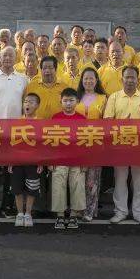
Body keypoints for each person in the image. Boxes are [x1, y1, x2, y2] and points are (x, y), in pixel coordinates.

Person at [0, 46, 29, 217]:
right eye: (4, 55)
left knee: (12, 171)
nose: (7, 58)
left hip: (15, 132)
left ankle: (9, 205)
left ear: (16, 58)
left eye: (11, 55)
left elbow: (26, 105)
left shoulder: (23, 79)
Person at [102, 66, 140, 225]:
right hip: (120, 145)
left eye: (133, 77)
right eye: (127, 77)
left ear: (138, 80)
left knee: (139, 181)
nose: (130, 80)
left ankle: (139, 212)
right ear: (121, 79)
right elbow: (108, 121)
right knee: (120, 179)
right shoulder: (114, 98)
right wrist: (123, 124)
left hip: (139, 146)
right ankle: (121, 211)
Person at [50, 87, 87, 230]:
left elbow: (86, 143)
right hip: (59, 159)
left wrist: (85, 162)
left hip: (77, 159)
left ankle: (73, 215)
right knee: (58, 185)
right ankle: (60, 215)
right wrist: (50, 161)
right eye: (65, 100)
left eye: (71, 100)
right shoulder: (55, 118)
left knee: (77, 186)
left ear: (77, 101)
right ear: (61, 102)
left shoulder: (82, 119)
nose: (68, 103)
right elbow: (50, 142)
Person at [75, 67, 106, 221]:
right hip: (78, 143)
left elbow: (106, 121)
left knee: (92, 179)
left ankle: (90, 210)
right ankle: (78, 208)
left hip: (95, 143)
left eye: (91, 78)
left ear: (96, 80)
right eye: (85, 78)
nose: (88, 81)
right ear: (81, 80)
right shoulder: (76, 97)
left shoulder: (103, 98)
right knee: (78, 178)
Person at [11, 93, 43, 228]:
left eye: (31, 102)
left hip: (33, 161)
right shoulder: (17, 122)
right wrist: (10, 161)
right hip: (18, 161)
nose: (27, 104)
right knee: (17, 188)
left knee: (32, 187)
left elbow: (42, 144)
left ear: (37, 106)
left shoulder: (41, 123)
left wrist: (41, 161)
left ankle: (28, 213)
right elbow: (11, 143)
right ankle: (19, 213)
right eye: (25, 102)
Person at [25, 55, 71, 119]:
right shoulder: (31, 86)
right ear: (41, 70)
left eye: (50, 68)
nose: (47, 71)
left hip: (59, 125)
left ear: (55, 69)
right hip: (37, 125)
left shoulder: (64, 87)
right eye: (44, 68)